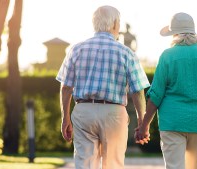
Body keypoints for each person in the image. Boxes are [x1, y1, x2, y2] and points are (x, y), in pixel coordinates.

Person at [56, 5, 150, 169]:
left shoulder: (76, 49)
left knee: (84, 163)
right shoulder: (126, 53)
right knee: (113, 163)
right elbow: (137, 90)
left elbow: (66, 87)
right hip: (113, 113)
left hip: (83, 110)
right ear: (114, 24)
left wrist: (65, 118)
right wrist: (143, 122)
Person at [136, 12, 197, 169]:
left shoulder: (167, 56)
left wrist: (145, 125)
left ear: (174, 34)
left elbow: (156, 94)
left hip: (172, 122)